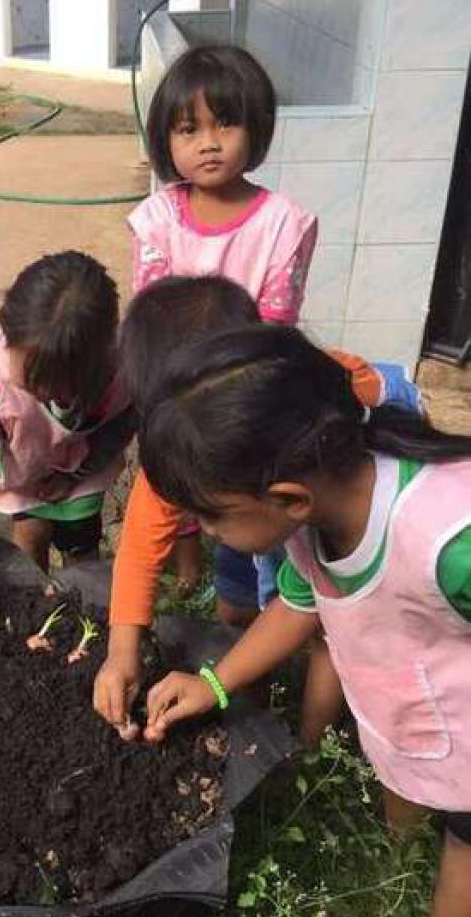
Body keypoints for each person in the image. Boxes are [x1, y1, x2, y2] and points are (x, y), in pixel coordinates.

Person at [126, 323, 471, 917]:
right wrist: (214, 683)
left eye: (211, 517)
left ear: (287, 498)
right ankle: (398, 855)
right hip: (405, 704)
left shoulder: (446, 539)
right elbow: (298, 603)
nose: (206, 534)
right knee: (408, 782)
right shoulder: (315, 521)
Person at [93, 275, 424, 747]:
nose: (203, 531)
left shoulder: (343, 430)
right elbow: (144, 545)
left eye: (209, 517)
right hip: (266, 511)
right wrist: (123, 651)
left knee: (333, 628)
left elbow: (311, 600)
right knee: (249, 599)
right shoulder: (199, 454)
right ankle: (260, 712)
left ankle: (310, 743)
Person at [131, 43, 318, 607]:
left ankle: (261, 603)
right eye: (189, 129)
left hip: (247, 401)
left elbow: (276, 325)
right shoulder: (157, 220)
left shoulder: (283, 224)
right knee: (175, 492)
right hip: (175, 392)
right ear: (165, 139)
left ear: (256, 126)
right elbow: (152, 317)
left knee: (251, 512)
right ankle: (189, 568)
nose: (208, 143)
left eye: (226, 123)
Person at [0, 251, 136, 621]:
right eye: (28, 380)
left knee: (81, 551)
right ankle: (33, 613)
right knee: (28, 539)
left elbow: (121, 425)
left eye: (48, 385)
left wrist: (76, 472)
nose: (35, 390)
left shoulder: (120, 375)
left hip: (82, 473)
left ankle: (82, 618)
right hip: (24, 470)